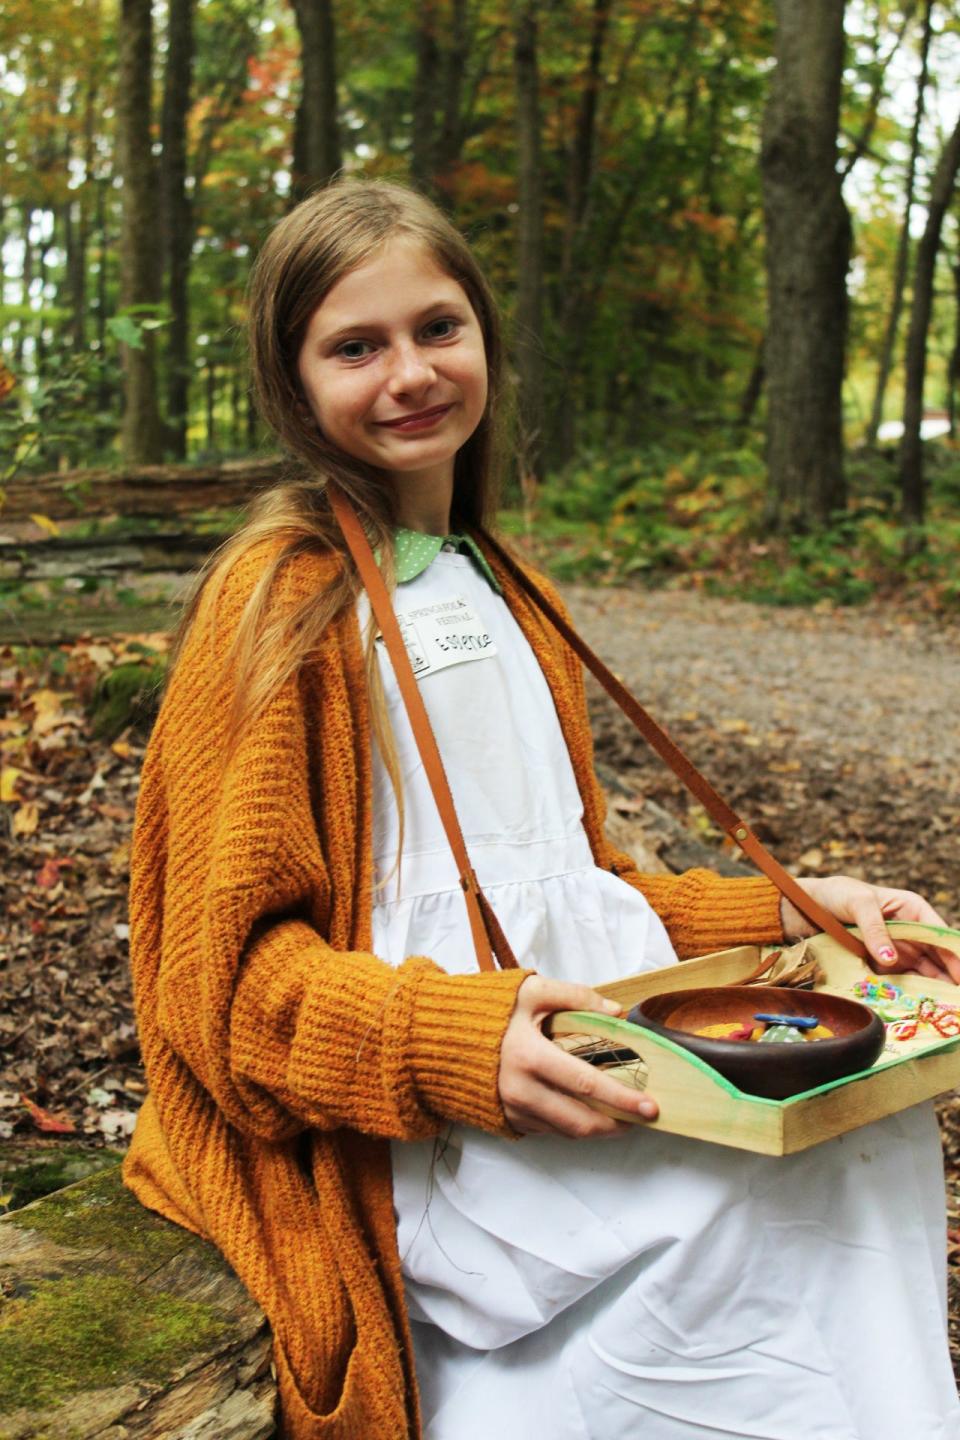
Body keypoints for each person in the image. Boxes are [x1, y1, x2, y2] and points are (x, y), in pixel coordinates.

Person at [123, 179, 960, 1440]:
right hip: (419, 1123)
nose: (408, 372)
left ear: (487, 343)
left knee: (858, 1135)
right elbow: (219, 991)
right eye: (357, 346)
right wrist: (447, 1042)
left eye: (437, 328)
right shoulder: (278, 605)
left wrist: (796, 912)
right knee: (721, 1209)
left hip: (570, 1053)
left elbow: (570, 888)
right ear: (294, 386)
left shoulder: (506, 582)